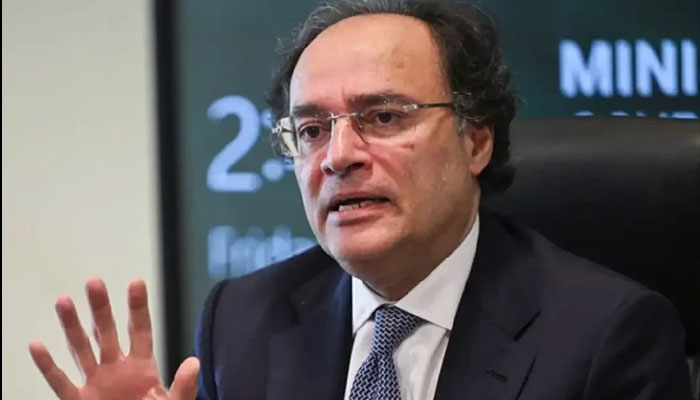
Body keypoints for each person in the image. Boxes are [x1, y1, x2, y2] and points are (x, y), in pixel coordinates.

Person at [29, 0, 693, 399]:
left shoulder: (608, 337)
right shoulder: (243, 321)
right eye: (311, 130)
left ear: (476, 141)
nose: (338, 155)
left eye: (383, 117)